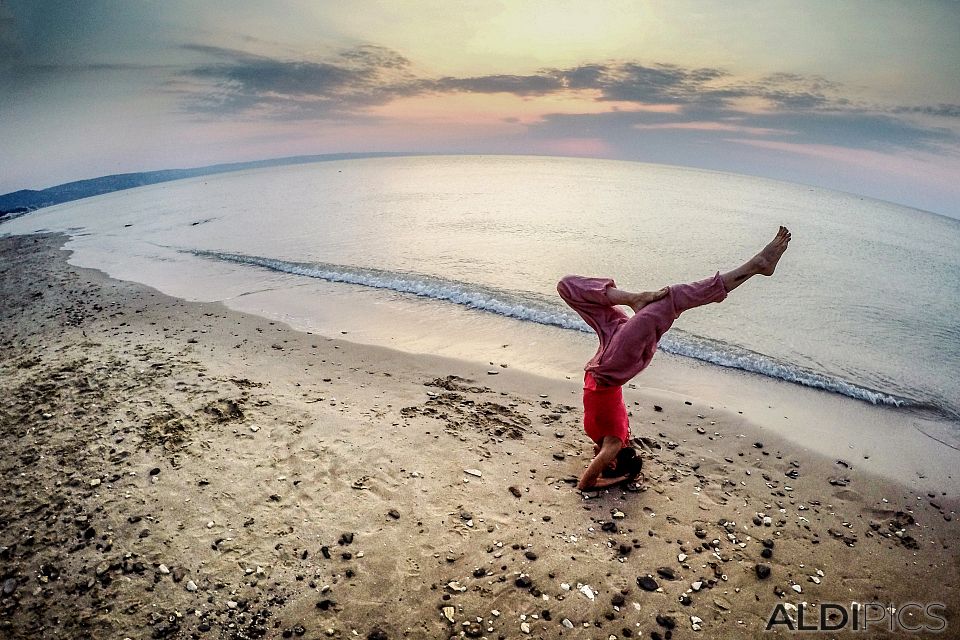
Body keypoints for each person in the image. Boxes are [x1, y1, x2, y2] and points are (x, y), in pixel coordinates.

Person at [557, 226, 792, 490]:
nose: (601, 462)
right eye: (607, 464)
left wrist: (618, 473)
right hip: (616, 364)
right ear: (613, 462)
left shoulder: (607, 442)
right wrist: (623, 477)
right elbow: (587, 483)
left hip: (607, 358)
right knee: (672, 299)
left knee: (567, 287)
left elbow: (589, 479)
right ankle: (756, 266)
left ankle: (634, 298)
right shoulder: (614, 442)